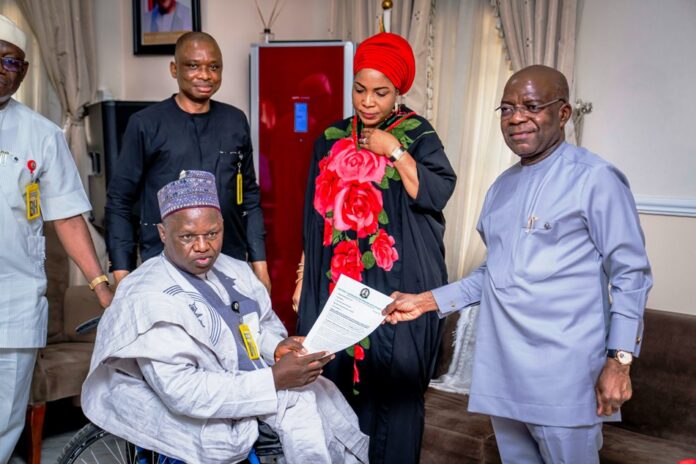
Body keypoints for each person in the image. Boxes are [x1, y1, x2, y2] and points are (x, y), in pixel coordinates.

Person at [384, 65, 653, 463]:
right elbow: (494, 274)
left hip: (565, 375)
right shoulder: (501, 188)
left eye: (531, 106)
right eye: (507, 108)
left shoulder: (595, 179)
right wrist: (425, 301)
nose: (516, 118)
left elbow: (631, 275)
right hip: (503, 370)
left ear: (563, 113)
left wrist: (620, 360)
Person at [83, 170, 369, 464]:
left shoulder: (235, 270)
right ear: (162, 233)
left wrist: (275, 348)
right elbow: (182, 391)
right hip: (198, 407)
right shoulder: (147, 295)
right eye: (187, 236)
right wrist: (271, 379)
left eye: (212, 233)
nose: (203, 246)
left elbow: (256, 327)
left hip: (249, 386)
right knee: (300, 411)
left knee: (321, 396)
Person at [294, 32, 456, 463]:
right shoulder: (330, 138)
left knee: (394, 392)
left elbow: (436, 193)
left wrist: (396, 151)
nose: (368, 102)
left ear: (399, 91)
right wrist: (303, 277)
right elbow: (315, 218)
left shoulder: (418, 133)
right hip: (337, 284)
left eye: (381, 93)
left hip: (399, 287)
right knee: (333, 383)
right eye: (360, 90)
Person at [0, 15, 113, 462]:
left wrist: (100, 284)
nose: (1, 69)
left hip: (13, 302)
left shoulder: (41, 135)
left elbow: (67, 216)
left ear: (24, 71)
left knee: (6, 415)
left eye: (11, 61)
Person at [105, 31, 271, 291]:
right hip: (164, 266)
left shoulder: (234, 121)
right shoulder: (146, 124)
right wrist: (122, 275)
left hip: (230, 261)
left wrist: (260, 266)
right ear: (174, 69)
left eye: (213, 67)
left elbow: (248, 196)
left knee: (236, 331)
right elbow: (120, 201)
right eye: (193, 66)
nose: (205, 75)